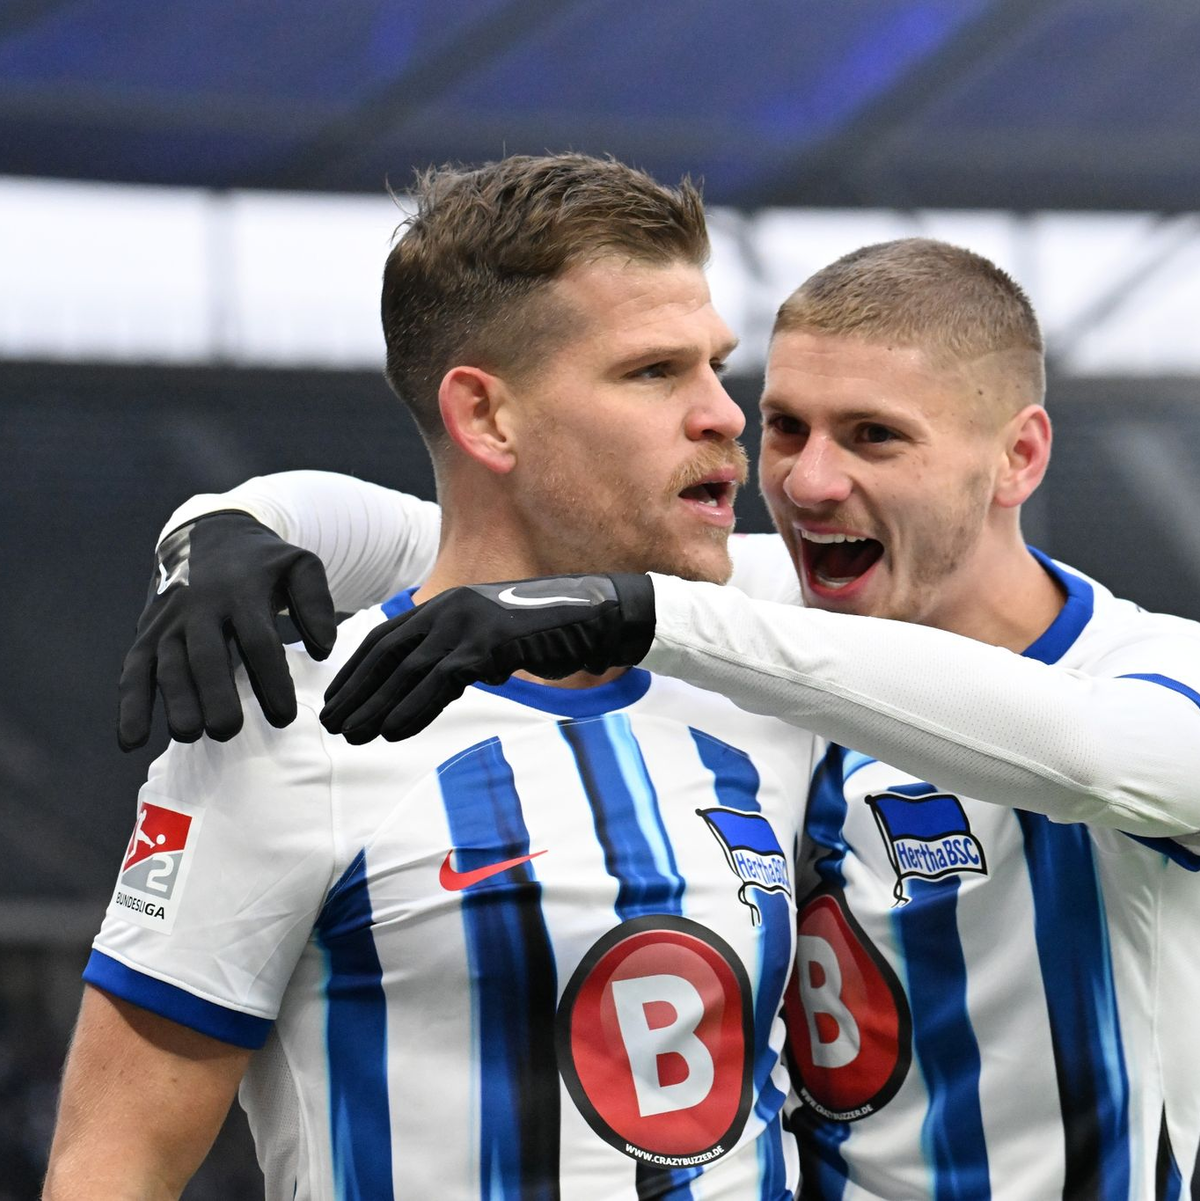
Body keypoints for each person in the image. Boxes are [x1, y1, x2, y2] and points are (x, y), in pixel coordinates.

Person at [117, 238, 1200, 1199]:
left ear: (1019, 456)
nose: (809, 481)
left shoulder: (1154, 676)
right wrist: (232, 522)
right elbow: (454, 541)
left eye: (874, 437)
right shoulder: (780, 612)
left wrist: (643, 611)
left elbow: (1096, 759)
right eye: (784, 426)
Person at [45, 154, 818, 1200]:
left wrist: (230, 514)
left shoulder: (782, 667)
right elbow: (114, 1163)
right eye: (653, 372)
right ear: (487, 417)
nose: (725, 413)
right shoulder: (289, 722)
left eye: (717, 365)